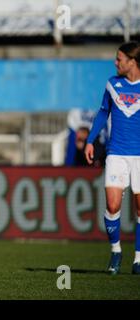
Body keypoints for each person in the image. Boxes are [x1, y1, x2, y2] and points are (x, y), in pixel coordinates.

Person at [85, 41, 140, 275]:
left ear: (132, 61)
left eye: (119, 59)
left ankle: (138, 258)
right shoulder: (112, 84)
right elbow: (103, 112)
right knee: (112, 204)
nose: (115, 63)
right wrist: (90, 140)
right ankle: (116, 251)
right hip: (116, 152)